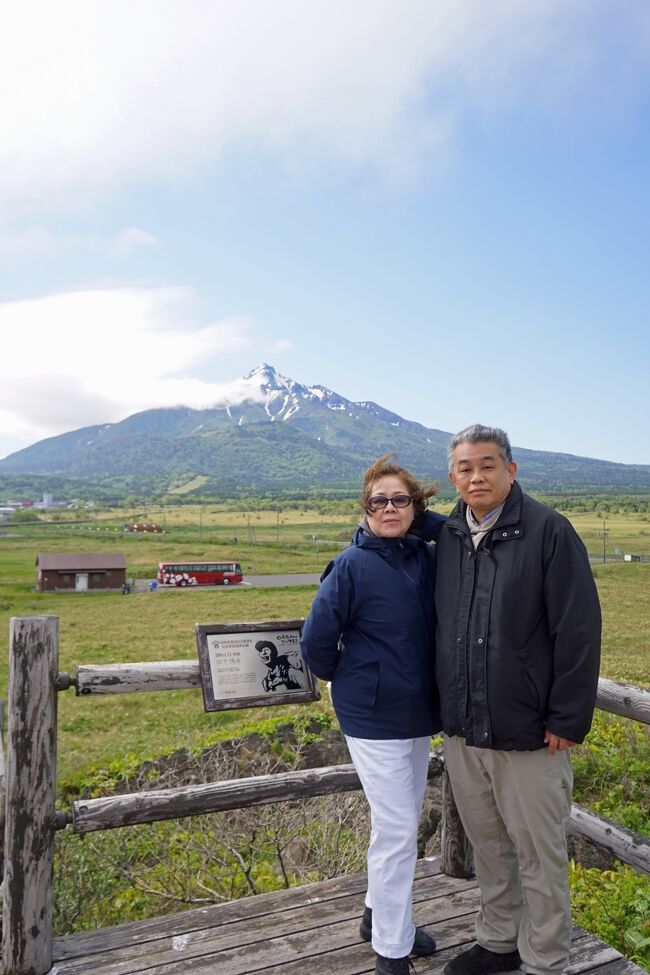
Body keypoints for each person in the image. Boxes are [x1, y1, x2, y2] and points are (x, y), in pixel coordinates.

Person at [430, 424, 601, 975]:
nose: (475, 476)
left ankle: (546, 959)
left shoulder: (549, 531)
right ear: (452, 476)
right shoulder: (450, 535)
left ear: (511, 469)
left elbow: (578, 630)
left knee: (540, 852)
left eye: (487, 464)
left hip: (531, 732)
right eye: (464, 467)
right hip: (464, 729)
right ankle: (498, 940)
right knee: (490, 846)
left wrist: (568, 717)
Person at [301, 453, 445, 975]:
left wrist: (421, 518)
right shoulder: (351, 565)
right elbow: (315, 643)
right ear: (364, 508)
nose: (388, 508)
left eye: (400, 500)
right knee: (400, 827)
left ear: (417, 506)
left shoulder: (426, 556)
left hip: (416, 713)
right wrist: (357, 677)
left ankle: (376, 915)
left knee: (395, 825)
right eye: (378, 501)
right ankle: (391, 949)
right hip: (373, 716)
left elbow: (460, 535)